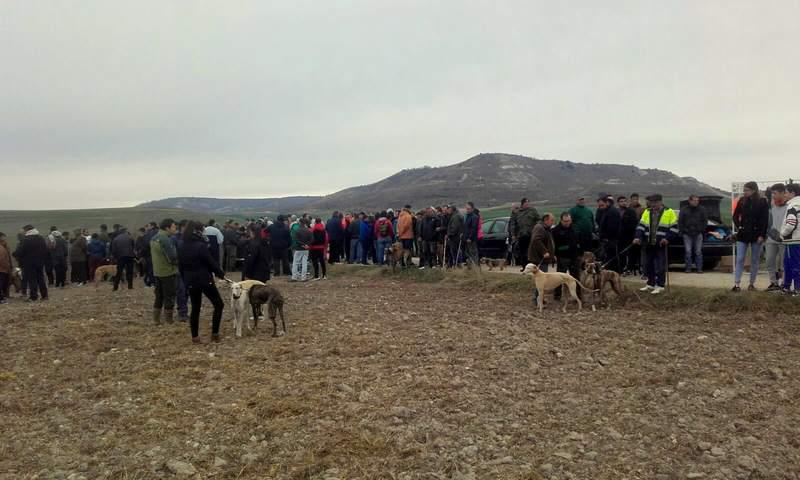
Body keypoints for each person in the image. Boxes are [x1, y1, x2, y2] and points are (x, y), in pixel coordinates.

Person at [178, 221, 226, 344]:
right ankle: (215, 334)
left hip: (190, 279)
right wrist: (221, 274)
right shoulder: (200, 245)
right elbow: (210, 262)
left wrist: (185, 280)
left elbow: (180, 266)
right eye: (203, 230)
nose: (204, 233)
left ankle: (195, 337)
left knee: (195, 307)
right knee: (218, 304)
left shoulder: (181, 245)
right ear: (197, 231)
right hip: (204, 279)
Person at [633, 194, 678, 295]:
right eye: (650, 203)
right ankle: (650, 284)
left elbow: (674, 228)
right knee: (648, 265)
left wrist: (667, 238)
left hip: (661, 243)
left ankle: (660, 285)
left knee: (661, 266)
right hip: (648, 243)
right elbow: (641, 226)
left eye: (654, 202)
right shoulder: (647, 211)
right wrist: (638, 237)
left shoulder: (669, 212)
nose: (652, 205)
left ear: (660, 202)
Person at [732, 181, 769, 292]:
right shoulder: (742, 201)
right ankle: (737, 284)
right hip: (743, 234)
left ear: (753, 190)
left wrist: (762, 235)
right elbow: (735, 216)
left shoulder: (762, 202)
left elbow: (765, 220)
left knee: (754, 260)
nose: (744, 192)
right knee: (740, 259)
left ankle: (751, 284)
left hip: (756, 234)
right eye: (744, 190)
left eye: (746, 190)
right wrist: (740, 227)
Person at [150, 219, 179, 324]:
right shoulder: (166, 239)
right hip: (168, 272)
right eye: (174, 227)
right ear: (167, 228)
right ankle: (169, 320)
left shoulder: (154, 238)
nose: (175, 228)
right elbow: (172, 258)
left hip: (157, 271)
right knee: (169, 296)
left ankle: (156, 320)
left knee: (159, 296)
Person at [13, 225, 49, 301]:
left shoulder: (26, 240)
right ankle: (44, 295)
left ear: (27, 230)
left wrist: (14, 254)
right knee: (41, 279)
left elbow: (19, 252)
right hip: (40, 262)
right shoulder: (40, 238)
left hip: (29, 263)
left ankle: (33, 296)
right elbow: (45, 250)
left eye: (23, 230)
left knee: (32, 280)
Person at [552, 213, 581, 300]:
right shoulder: (555, 231)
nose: (567, 223)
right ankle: (557, 296)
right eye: (565, 221)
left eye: (569, 221)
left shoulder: (575, 228)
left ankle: (578, 296)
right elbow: (554, 245)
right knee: (559, 278)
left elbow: (579, 240)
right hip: (562, 257)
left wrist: (579, 250)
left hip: (575, 257)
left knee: (576, 277)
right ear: (561, 220)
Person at [528, 213, 556, 303]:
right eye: (552, 220)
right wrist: (544, 252)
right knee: (541, 280)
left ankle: (540, 299)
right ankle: (537, 300)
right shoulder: (539, 228)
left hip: (542, 257)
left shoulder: (545, 228)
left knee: (541, 280)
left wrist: (552, 254)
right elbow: (536, 240)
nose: (553, 222)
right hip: (539, 258)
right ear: (546, 220)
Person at [765, 184, 788, 291]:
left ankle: (784, 283)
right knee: (769, 260)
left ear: (783, 193)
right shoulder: (771, 205)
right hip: (771, 238)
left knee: (784, 263)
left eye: (775, 193)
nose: (773, 196)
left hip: (784, 238)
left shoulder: (790, 206)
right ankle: (773, 283)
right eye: (772, 193)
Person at [678, 195, 708, 274]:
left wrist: (701, 230)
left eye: (697, 200)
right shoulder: (684, 210)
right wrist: (683, 231)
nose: (696, 202)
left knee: (698, 251)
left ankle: (699, 269)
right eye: (694, 200)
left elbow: (705, 221)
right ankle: (688, 268)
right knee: (688, 251)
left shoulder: (702, 209)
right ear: (690, 201)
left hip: (698, 233)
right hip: (687, 234)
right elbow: (680, 221)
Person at [779, 183, 800, 293]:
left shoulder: (792, 205)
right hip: (797, 239)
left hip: (793, 240)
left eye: (786, 192)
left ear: (793, 193)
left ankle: (796, 289)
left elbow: (791, 223)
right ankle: (786, 287)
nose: (785, 195)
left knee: (793, 264)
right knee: (790, 263)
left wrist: (782, 234)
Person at [512, 198, 540, 269]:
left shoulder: (533, 211)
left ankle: (532, 267)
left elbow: (539, 220)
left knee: (531, 252)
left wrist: (536, 228)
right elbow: (514, 224)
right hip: (521, 235)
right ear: (522, 204)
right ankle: (524, 267)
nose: (527, 204)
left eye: (528, 203)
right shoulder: (518, 212)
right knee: (523, 252)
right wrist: (513, 234)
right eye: (525, 203)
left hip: (531, 234)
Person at [598, 197, 622, 273]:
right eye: (599, 206)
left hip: (611, 240)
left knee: (612, 258)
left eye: (602, 205)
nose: (600, 207)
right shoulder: (606, 211)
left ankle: (613, 274)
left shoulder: (612, 212)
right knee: (608, 258)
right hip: (607, 239)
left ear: (607, 203)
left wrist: (606, 238)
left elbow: (612, 228)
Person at [618, 196, 639, 274]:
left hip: (629, 236)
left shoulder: (631, 211)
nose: (623, 202)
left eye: (624, 201)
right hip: (620, 237)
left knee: (630, 253)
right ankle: (621, 268)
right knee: (621, 253)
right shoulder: (617, 211)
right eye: (621, 201)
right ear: (618, 203)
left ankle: (629, 268)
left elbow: (634, 224)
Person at [463, 202, 480, 268]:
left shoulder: (474, 217)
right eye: (466, 209)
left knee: (473, 253)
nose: (467, 210)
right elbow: (466, 227)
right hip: (466, 238)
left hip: (471, 239)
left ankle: (475, 267)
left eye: (468, 209)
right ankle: (470, 267)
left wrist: (470, 237)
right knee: (468, 253)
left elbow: (474, 228)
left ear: (472, 209)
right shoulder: (467, 216)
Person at [0, 232, 12, 304]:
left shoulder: (4, 246)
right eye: (3, 237)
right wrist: (7, 268)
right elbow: (2, 260)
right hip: (2, 269)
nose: (5, 239)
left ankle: (4, 296)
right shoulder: (1, 248)